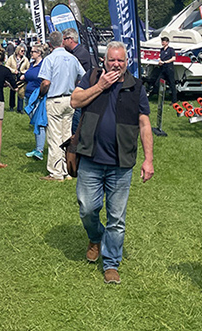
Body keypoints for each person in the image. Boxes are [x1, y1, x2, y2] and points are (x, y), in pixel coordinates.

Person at [70, 41, 154, 284]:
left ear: (127, 62)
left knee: (117, 218)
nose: (116, 64)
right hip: (91, 158)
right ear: (104, 61)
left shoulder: (135, 86)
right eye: (112, 60)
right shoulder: (92, 77)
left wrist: (148, 160)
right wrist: (99, 86)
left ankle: (111, 263)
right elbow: (75, 101)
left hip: (121, 163)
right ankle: (96, 236)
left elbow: (145, 123)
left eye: (121, 60)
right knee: (87, 208)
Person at [38, 30, 85, 181]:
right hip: (70, 99)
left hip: (55, 98)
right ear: (62, 41)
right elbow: (82, 77)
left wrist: (41, 94)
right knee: (66, 135)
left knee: (55, 137)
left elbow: (46, 82)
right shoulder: (72, 58)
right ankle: (67, 169)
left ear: (51, 43)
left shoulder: (50, 59)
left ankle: (56, 172)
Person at [63, 27, 95, 133]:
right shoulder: (75, 52)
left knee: (76, 122)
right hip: (75, 89)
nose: (62, 42)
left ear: (70, 39)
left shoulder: (80, 54)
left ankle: (76, 142)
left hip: (81, 90)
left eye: (64, 39)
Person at [23, 43, 49, 160]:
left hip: (37, 97)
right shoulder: (33, 64)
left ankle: (39, 150)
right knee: (35, 122)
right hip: (28, 96)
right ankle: (38, 146)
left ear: (39, 53)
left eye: (33, 51)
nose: (31, 53)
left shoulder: (44, 65)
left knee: (39, 123)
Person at [6, 44, 29, 113]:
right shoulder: (11, 58)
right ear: (18, 51)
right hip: (13, 77)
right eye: (22, 51)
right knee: (12, 92)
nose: (23, 52)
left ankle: (20, 108)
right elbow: (7, 66)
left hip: (21, 77)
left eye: (24, 51)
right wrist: (13, 71)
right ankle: (11, 106)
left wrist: (23, 72)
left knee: (21, 92)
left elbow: (28, 69)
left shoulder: (25, 59)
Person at [157, 36, 177, 103]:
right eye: (162, 41)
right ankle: (160, 99)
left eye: (163, 41)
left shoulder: (171, 50)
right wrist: (160, 62)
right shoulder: (162, 50)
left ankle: (174, 100)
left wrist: (165, 62)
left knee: (172, 84)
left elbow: (173, 58)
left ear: (167, 42)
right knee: (158, 83)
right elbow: (160, 57)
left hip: (169, 68)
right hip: (163, 68)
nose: (162, 43)